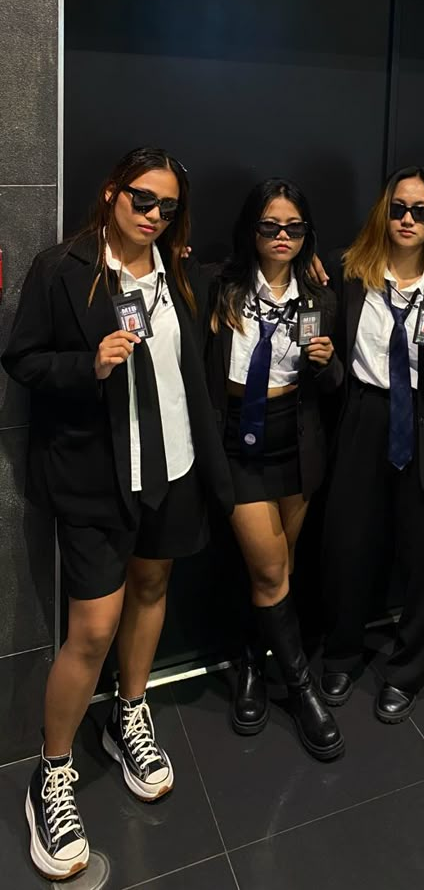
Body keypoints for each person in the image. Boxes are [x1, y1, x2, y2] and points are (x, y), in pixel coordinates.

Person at [2, 147, 233, 880]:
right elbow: (23, 357)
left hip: (172, 466)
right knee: (92, 628)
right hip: (98, 477)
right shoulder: (61, 266)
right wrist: (88, 364)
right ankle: (53, 772)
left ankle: (130, 713)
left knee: (154, 588)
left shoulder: (177, 272)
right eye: (142, 199)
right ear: (111, 193)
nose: (154, 215)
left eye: (167, 206)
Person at [317, 165, 424, 723]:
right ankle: (342, 651)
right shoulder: (349, 272)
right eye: (399, 209)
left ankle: (408, 669)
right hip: (365, 418)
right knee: (349, 546)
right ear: (383, 212)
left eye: (421, 211)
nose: (407, 220)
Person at [206, 179, 344, 760]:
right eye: (270, 226)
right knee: (268, 569)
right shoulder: (218, 287)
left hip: (297, 439)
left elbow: (333, 388)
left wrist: (329, 363)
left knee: (275, 569)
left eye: (293, 227)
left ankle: (248, 665)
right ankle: (302, 689)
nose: (282, 236)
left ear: (307, 233)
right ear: (252, 231)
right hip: (238, 440)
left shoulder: (322, 298)